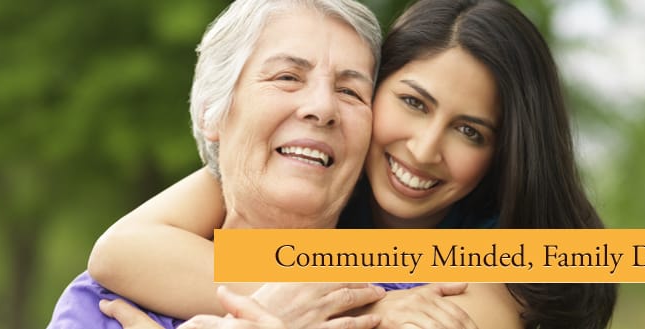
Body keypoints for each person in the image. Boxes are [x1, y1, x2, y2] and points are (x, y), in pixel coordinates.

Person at [91, 0, 618, 328]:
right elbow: (121, 252)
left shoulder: (494, 273)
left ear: (503, 156)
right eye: (413, 103)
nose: (424, 148)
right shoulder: (301, 179)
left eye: (469, 132)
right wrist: (359, 310)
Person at [47, 0, 391, 328]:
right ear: (212, 112)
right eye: (287, 77)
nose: (323, 107)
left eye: (350, 92)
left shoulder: (417, 292)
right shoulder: (103, 301)